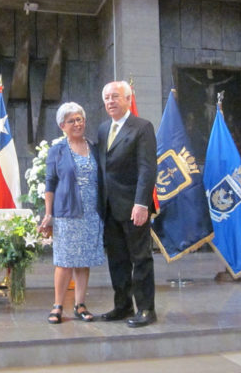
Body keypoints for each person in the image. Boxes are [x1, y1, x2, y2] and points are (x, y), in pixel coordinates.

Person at [97, 80, 158, 328]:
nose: (110, 102)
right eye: (107, 98)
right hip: (109, 207)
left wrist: (142, 203)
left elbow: (147, 168)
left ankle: (146, 309)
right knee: (117, 260)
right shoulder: (102, 129)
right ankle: (122, 306)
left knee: (140, 258)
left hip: (135, 207)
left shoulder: (142, 127)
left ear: (128, 98)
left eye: (115, 97)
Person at [39, 102, 105, 324]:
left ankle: (80, 304)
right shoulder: (57, 150)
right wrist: (49, 214)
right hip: (66, 212)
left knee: (83, 259)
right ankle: (58, 305)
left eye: (80, 119)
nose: (77, 124)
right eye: (72, 121)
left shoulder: (94, 147)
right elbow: (50, 184)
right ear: (62, 126)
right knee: (65, 260)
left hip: (91, 212)